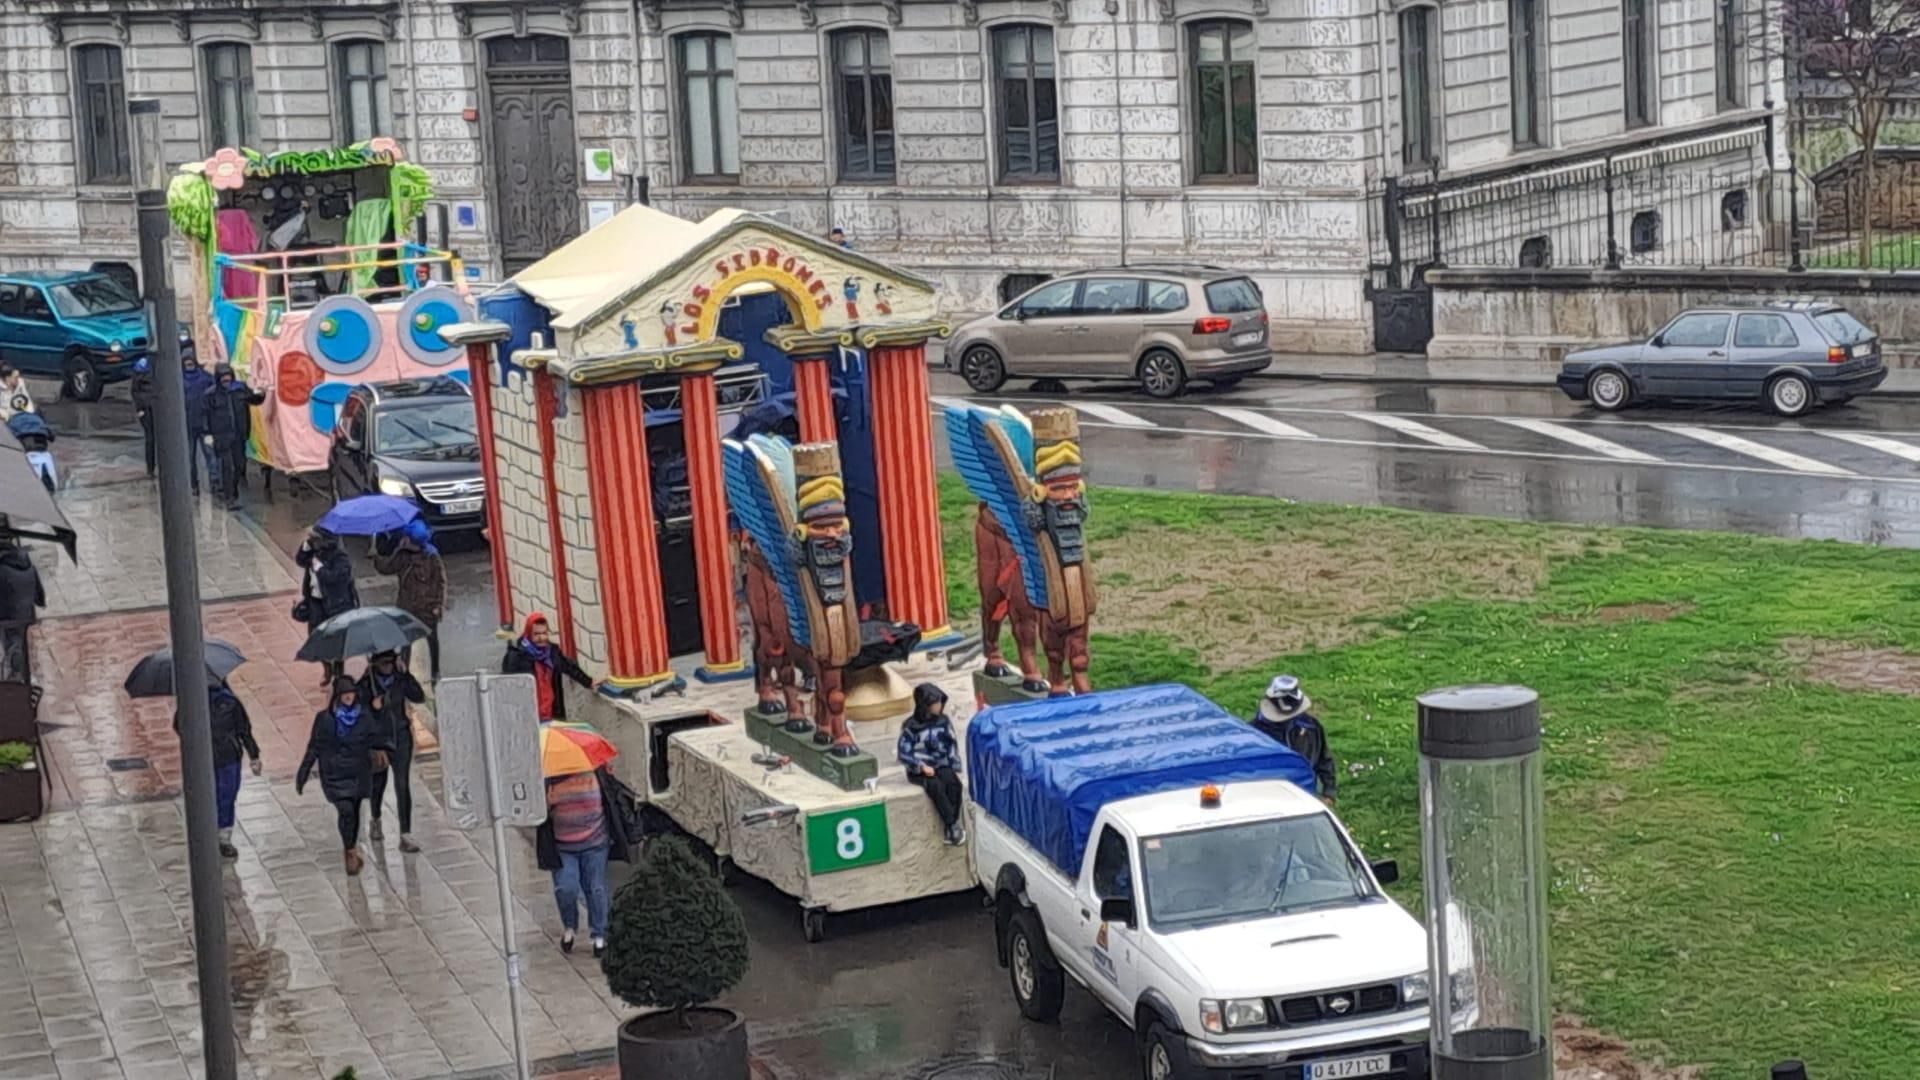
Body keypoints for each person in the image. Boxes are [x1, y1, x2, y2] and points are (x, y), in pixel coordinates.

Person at [536, 766, 634, 958]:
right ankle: (570, 926)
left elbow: (610, 801)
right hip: (563, 848)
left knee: (596, 888)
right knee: (565, 888)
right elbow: (538, 813)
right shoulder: (549, 780)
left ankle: (600, 934)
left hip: (595, 844)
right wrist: (545, 803)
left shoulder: (597, 774)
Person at [297, 677, 390, 876]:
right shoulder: (325, 719)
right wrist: (303, 773)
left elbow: (378, 737)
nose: (349, 697)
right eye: (345, 693)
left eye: (351, 693)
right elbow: (314, 746)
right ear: (338, 696)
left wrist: (378, 711)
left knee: (354, 812)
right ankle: (350, 852)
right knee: (345, 811)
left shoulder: (365, 716)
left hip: (358, 773)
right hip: (335, 774)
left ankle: (351, 849)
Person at [179, 682, 262, 858]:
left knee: (226, 795)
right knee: (213, 796)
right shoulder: (193, 701)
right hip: (208, 759)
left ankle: (222, 837)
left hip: (226, 757)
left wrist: (254, 754)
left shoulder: (229, 702)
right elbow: (179, 724)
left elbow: (243, 729)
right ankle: (211, 834)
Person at [360, 650, 424, 851]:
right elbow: (359, 716)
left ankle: (405, 832)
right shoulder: (366, 684)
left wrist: (407, 675)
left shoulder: (399, 679)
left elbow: (419, 696)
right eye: (383, 663)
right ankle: (376, 817)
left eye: (390, 662)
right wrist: (372, 706)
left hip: (401, 737)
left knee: (402, 784)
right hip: (379, 741)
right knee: (378, 783)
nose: (387, 667)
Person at [373, 519, 446, 680]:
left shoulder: (431, 556)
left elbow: (440, 582)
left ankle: (435, 670)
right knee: (405, 640)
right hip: (406, 606)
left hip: (427, 607)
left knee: (431, 639)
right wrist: (377, 555)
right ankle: (404, 672)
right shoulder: (402, 554)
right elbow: (387, 568)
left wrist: (438, 605)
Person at [1251, 675, 1338, 805]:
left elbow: (1323, 758)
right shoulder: (1255, 733)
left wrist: (1329, 792)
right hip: (1267, 799)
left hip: (1305, 794)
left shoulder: (1311, 727)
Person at [897, 683, 966, 845]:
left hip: (941, 763)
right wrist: (920, 766)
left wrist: (953, 764)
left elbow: (951, 743)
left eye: (940, 703)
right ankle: (951, 825)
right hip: (920, 769)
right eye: (935, 703)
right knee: (936, 787)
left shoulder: (943, 722)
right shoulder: (911, 727)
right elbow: (904, 753)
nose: (939, 706)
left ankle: (953, 823)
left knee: (954, 785)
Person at [501, 613, 602, 721]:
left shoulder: (552, 652)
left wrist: (589, 682)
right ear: (529, 634)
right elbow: (507, 686)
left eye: (544, 633)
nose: (541, 638)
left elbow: (569, 667)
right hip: (529, 716)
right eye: (536, 634)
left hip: (552, 714)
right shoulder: (517, 656)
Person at [296, 528, 360, 685]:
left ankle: (339, 672)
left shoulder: (340, 557)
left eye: (315, 540)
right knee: (316, 637)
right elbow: (300, 560)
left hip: (335, 604)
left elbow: (335, 578)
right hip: (315, 601)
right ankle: (327, 668)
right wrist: (306, 546)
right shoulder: (314, 551)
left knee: (337, 640)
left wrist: (320, 569)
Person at [201, 363, 264, 511]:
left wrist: (261, 394)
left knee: (239, 466)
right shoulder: (210, 394)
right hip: (221, 436)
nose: (226, 380)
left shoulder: (240, 389)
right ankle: (229, 497)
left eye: (228, 376)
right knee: (227, 466)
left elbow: (254, 400)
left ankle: (233, 491)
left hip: (239, 435)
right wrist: (208, 435)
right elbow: (204, 415)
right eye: (223, 377)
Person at [0, 534, 43, 682]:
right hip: (26, 614)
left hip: (7, 616)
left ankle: (15, 678)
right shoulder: (28, 564)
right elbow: (40, 598)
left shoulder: (2, 570)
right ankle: (21, 677)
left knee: (12, 643)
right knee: (19, 641)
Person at [181, 355, 214, 496]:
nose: (189, 365)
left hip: (204, 425)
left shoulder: (206, 378)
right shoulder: (179, 380)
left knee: (210, 455)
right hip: (188, 426)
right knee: (190, 457)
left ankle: (215, 484)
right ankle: (193, 485)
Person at [130, 358, 158, 476]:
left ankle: (153, 467)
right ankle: (150, 468)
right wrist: (140, 409)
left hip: (155, 407)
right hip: (147, 408)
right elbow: (135, 390)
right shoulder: (144, 365)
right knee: (150, 438)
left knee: (157, 439)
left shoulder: (156, 364)